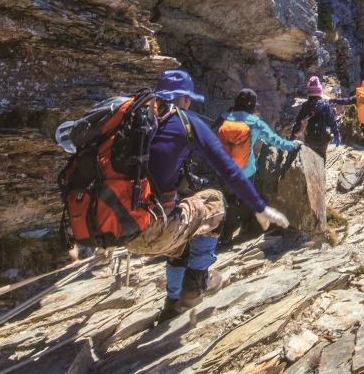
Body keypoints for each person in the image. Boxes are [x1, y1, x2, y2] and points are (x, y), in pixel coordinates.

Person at [62, 69, 291, 323]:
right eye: (188, 98)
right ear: (184, 98)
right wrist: (260, 207)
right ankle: (198, 281)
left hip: (114, 226)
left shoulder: (132, 117)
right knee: (214, 200)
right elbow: (230, 172)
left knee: (181, 233)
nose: (189, 103)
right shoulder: (187, 122)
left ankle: (173, 304)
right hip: (150, 230)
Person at [216, 88, 300, 247]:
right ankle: (246, 225)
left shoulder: (223, 117)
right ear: (252, 106)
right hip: (246, 171)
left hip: (224, 171)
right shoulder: (255, 122)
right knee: (247, 197)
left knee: (230, 201)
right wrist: (292, 145)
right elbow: (274, 140)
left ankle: (226, 234)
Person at [291, 75, 343, 162]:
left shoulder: (305, 107)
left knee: (310, 161)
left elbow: (298, 123)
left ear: (309, 93)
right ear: (320, 92)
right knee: (322, 158)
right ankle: (321, 173)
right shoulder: (326, 106)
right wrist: (337, 134)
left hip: (309, 139)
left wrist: (292, 137)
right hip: (322, 139)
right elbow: (332, 122)